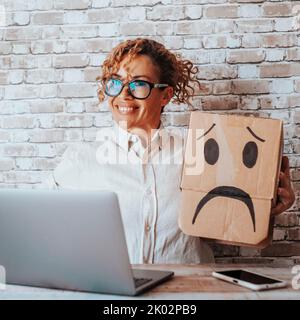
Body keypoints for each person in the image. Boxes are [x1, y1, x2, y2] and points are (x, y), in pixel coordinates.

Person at [43, 38, 295, 264]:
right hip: (114, 294)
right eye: (115, 82)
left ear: (165, 95)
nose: (124, 94)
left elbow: (228, 229)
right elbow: (38, 227)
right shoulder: (80, 160)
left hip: (187, 292)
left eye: (139, 84)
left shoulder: (200, 151)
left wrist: (267, 209)